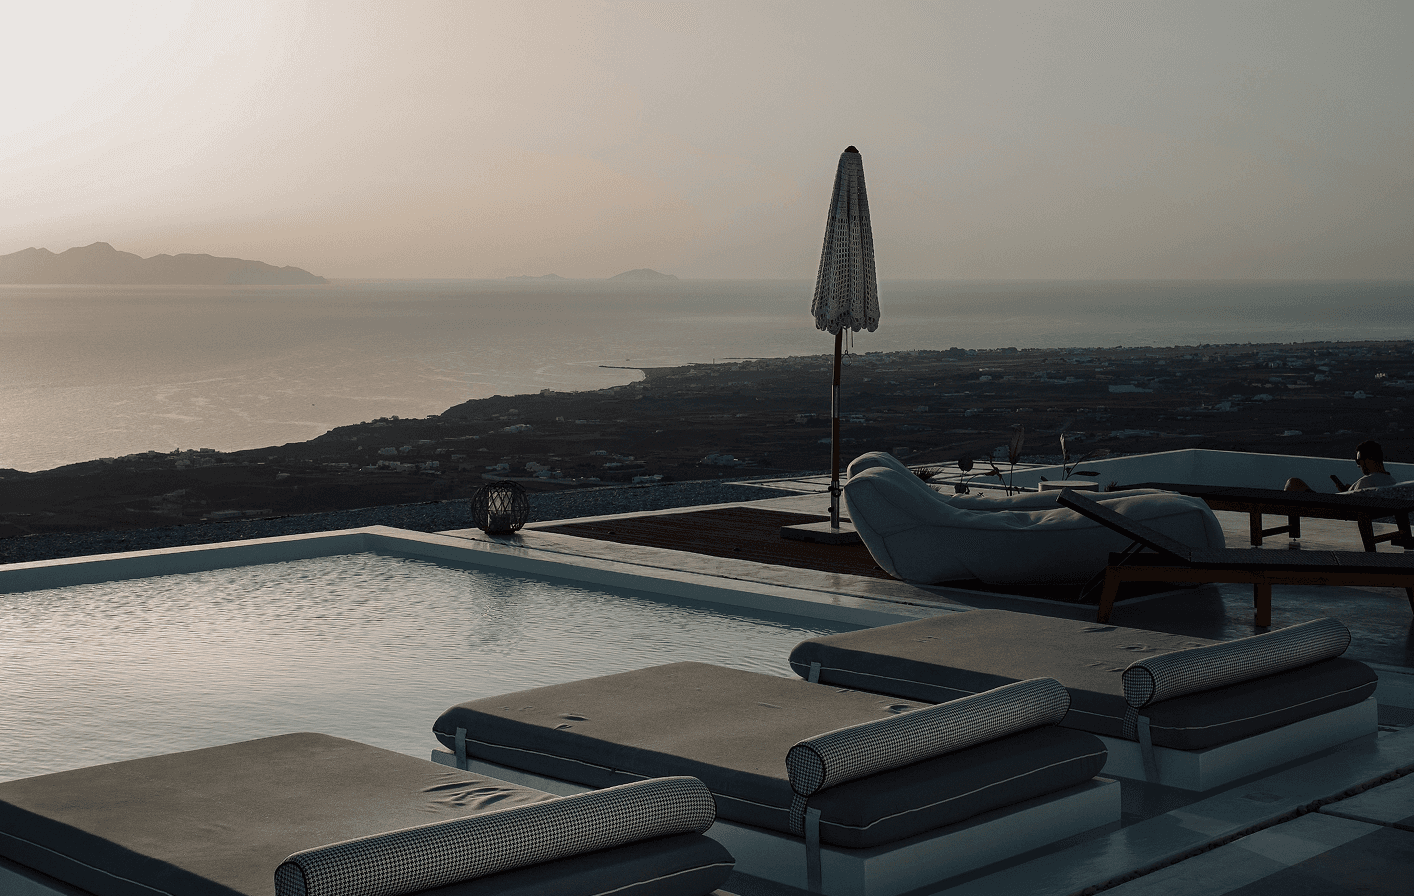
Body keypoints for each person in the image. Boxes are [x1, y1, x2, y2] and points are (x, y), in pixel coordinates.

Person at [1285, 440, 1396, 492]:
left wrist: (1348, 492)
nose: (1359, 466)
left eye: (1359, 462)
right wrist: (1348, 491)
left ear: (1369, 459)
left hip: (1333, 508)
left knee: (1293, 482)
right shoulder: (1392, 482)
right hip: (1347, 506)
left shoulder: (1367, 482)